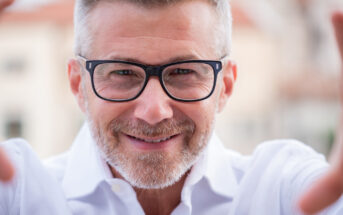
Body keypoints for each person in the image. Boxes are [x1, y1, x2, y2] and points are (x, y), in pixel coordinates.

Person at [0, 0, 343, 214]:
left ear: (225, 85)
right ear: (78, 84)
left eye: (183, 72)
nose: (153, 110)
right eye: (122, 72)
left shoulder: (280, 190)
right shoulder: (20, 196)